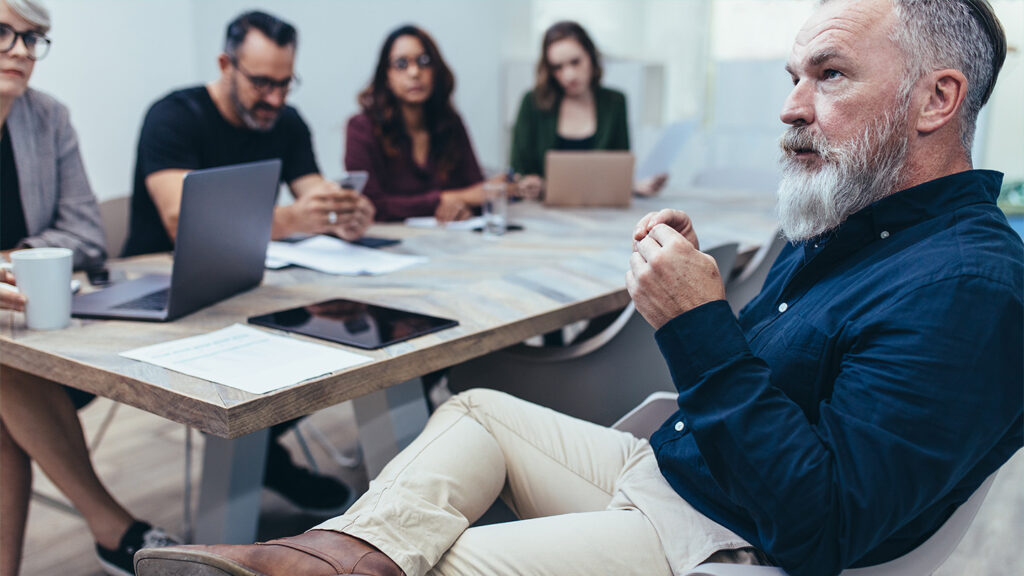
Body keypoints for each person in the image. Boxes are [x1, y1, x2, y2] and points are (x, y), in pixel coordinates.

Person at [135, 1, 1022, 575]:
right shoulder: (845, 222)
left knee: (439, 560)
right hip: (690, 471)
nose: (791, 105)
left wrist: (698, 322)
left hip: (727, 538)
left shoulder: (969, 288)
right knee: (476, 408)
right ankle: (329, 554)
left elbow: (822, 527)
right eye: (794, 76)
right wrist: (708, 314)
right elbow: (772, 390)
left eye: (828, 75)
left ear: (935, 99)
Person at [121, 10, 372, 516]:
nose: (276, 99)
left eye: (286, 83)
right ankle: (260, 460)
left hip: (244, 287)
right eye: (262, 83)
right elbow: (179, 219)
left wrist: (344, 211)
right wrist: (294, 219)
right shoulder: (173, 116)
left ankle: (260, 455)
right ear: (224, 63)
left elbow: (313, 196)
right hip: (156, 292)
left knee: (349, 336)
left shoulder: (287, 120)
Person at [0, 1, 180, 575]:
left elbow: (86, 233)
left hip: (38, 325)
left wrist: (10, 262)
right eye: (4, 33)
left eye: (33, 39)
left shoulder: (47, 117)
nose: (22, 51)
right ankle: (112, 526)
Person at [510, 20, 666, 199]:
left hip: (603, 212)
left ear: (591, 57)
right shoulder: (532, 103)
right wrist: (528, 183)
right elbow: (517, 171)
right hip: (543, 211)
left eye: (575, 62)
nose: (568, 75)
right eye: (557, 67)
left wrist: (632, 186)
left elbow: (619, 167)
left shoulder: (615, 102)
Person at [345, 25, 485, 223]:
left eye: (424, 61)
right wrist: (445, 199)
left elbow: (479, 193)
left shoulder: (450, 124)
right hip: (386, 246)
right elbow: (369, 205)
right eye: (401, 64)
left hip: (448, 241)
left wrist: (462, 208)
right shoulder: (361, 128)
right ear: (386, 75)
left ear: (435, 70)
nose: (414, 72)